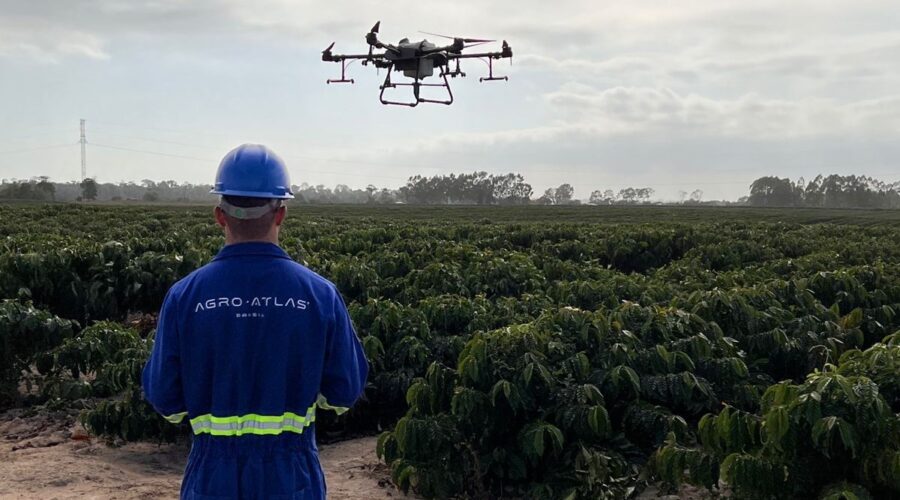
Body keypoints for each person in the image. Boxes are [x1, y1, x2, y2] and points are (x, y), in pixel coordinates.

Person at [142, 144, 368, 499]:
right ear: (281, 214)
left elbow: (166, 400)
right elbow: (343, 393)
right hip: (291, 477)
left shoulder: (185, 297)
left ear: (220, 215)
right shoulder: (319, 295)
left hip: (212, 477)